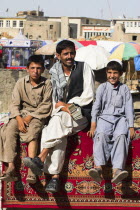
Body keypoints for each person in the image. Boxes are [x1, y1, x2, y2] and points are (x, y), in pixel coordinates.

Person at [23, 40, 95, 192]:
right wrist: (63, 107)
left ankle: (41, 157)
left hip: (81, 112)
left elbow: (88, 95)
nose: (69, 56)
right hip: (62, 113)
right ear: (58, 56)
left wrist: (69, 105)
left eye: (71, 53)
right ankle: (55, 178)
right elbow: (54, 101)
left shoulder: (84, 68)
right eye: (66, 54)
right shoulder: (54, 73)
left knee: (57, 122)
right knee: (59, 126)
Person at [0, 55, 52, 184]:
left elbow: (46, 105)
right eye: (33, 68)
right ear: (27, 69)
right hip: (20, 114)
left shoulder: (47, 83)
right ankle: (11, 166)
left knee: (33, 133)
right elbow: (14, 103)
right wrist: (18, 118)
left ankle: (31, 171)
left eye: (38, 68)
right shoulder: (20, 82)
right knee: (8, 130)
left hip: (37, 115)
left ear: (43, 69)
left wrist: (29, 117)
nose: (35, 71)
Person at [87, 60, 135, 184]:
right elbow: (96, 107)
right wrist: (93, 125)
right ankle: (98, 168)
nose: (112, 76)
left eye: (115, 73)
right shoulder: (102, 87)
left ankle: (117, 171)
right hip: (104, 117)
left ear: (120, 74)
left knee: (121, 136)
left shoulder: (124, 89)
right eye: (109, 73)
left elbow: (129, 108)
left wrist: (131, 126)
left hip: (120, 119)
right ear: (106, 73)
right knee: (101, 135)